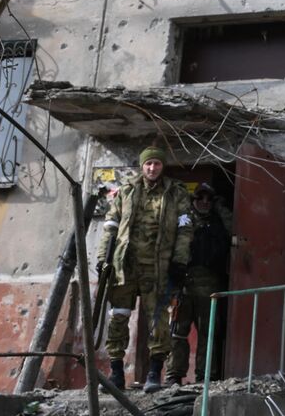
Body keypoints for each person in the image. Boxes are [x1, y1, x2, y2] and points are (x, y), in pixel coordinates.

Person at [96, 145, 194, 393]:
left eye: (157, 164)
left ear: (162, 166)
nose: (152, 168)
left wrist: (180, 261)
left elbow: (185, 229)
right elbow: (111, 225)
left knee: (157, 318)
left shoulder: (176, 193)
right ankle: (116, 374)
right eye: (148, 164)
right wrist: (102, 258)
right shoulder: (127, 190)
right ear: (142, 166)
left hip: (158, 266)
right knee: (118, 316)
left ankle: (153, 374)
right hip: (125, 265)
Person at [166, 183, 232, 386]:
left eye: (208, 199)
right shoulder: (184, 218)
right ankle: (174, 374)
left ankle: (205, 376)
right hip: (184, 282)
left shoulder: (218, 220)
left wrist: (221, 208)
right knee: (177, 331)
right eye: (200, 198)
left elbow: (234, 229)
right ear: (193, 200)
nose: (204, 202)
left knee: (208, 332)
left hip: (210, 283)